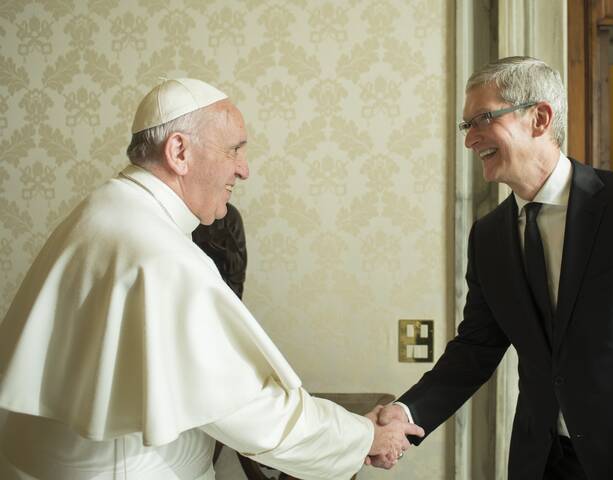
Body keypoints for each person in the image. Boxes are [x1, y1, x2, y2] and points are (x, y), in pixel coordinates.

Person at [0, 78, 423, 479]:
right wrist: (363, 436)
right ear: (179, 152)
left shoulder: (108, 210)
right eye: (234, 150)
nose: (243, 170)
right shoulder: (159, 253)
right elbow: (252, 411)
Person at [372, 57, 613, 479]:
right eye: (465, 126)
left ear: (539, 118)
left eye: (483, 119)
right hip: (542, 462)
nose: (470, 139)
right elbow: (475, 348)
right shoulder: (488, 236)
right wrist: (405, 413)